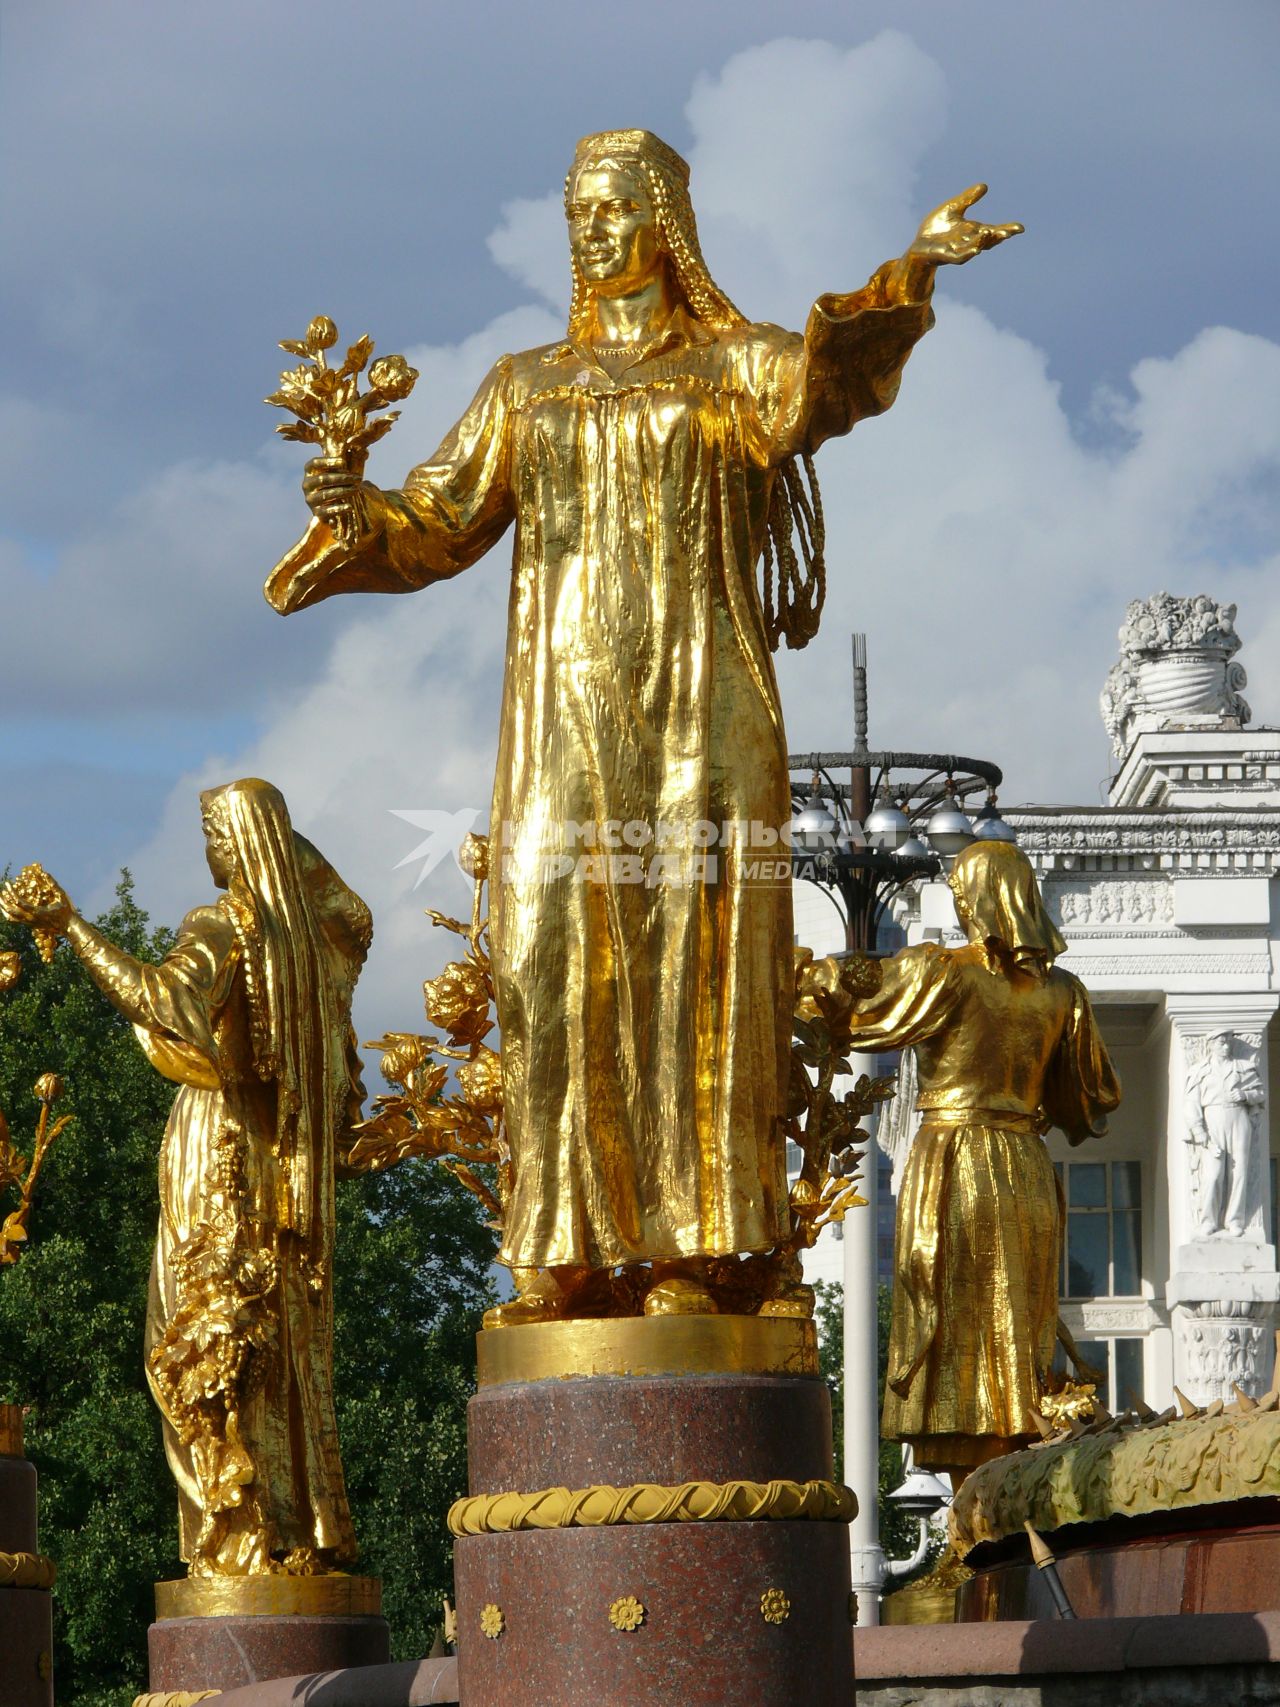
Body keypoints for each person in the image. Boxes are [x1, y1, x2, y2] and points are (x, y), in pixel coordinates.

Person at [265, 129, 1021, 1324]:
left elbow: (827, 385)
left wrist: (906, 275)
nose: (592, 232)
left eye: (614, 210)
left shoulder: (732, 367)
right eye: (576, 214)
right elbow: (433, 526)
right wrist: (352, 507)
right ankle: (566, 1245)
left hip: (705, 709)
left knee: (698, 967)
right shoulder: (525, 385)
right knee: (555, 956)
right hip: (564, 722)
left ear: (665, 224)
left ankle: (699, 1247)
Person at [0, 779, 371, 1575]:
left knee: (189, 1344)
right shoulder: (301, 944)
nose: (204, 848)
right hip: (278, 1157)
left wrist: (72, 924)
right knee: (273, 1336)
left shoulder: (225, 923)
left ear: (234, 842)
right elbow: (350, 913)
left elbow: (164, 999)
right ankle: (293, 1528)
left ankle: (233, 1538)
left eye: (212, 832)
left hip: (219, 1148)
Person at [843, 840, 1120, 1485]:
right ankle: (1005, 1472)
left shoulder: (946, 972)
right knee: (1016, 1320)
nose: (960, 902)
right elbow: (1092, 1098)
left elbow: (862, 1016)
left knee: (949, 1310)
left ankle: (969, 1495)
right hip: (1026, 1165)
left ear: (984, 899)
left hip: (955, 1158)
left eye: (963, 890)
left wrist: (807, 981)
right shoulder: (1063, 995)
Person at [1185, 1030, 1264, 1237]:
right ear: (1211, 1044)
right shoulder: (1200, 1070)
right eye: (1221, 1043)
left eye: (1228, 1043)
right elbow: (1191, 1103)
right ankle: (1208, 1220)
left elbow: (1260, 1093)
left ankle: (1235, 1220)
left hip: (1238, 1118)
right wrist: (1198, 1131)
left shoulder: (1244, 1067)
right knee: (1213, 1175)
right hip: (1213, 1119)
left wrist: (1245, 1095)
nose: (1226, 1047)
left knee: (1239, 1172)